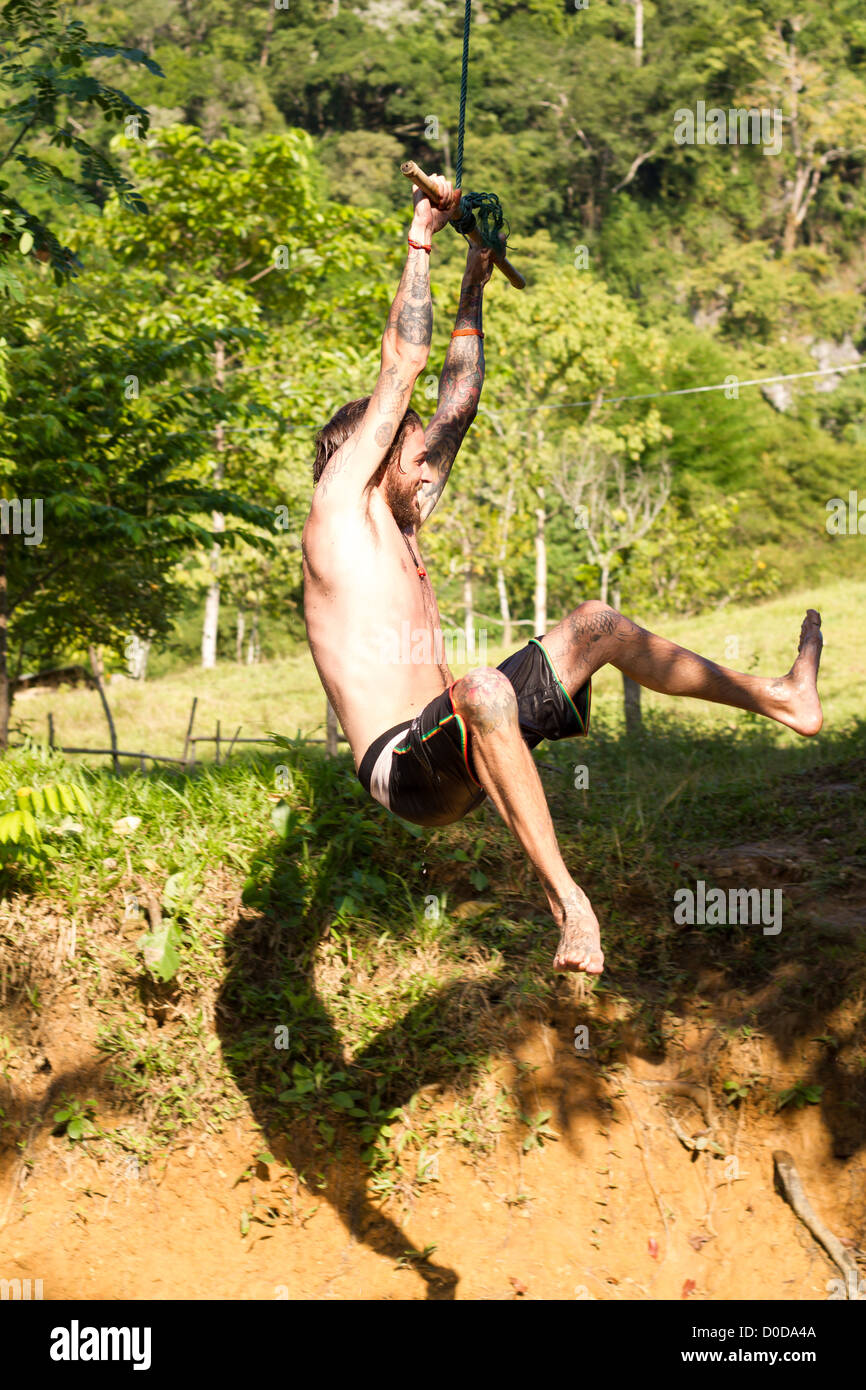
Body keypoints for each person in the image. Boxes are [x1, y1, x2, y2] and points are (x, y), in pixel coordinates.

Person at [303, 175, 823, 976]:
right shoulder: (340, 510)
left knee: (596, 625)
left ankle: (780, 698)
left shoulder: (400, 519)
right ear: (370, 457)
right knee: (483, 689)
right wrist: (421, 239)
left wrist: (475, 280)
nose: (425, 455)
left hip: (469, 737)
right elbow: (403, 373)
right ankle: (569, 907)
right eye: (409, 447)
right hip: (407, 769)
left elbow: (457, 402)